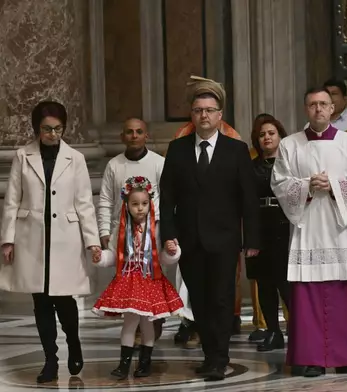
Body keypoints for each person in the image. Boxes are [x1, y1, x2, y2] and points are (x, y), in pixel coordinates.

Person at [271, 87, 347, 378]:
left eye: (324, 104)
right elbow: (280, 183)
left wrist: (333, 185)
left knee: (342, 295)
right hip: (308, 228)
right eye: (313, 104)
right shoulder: (289, 145)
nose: (319, 109)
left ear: (333, 109)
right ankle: (310, 358)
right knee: (307, 296)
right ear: (305, 109)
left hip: (340, 230)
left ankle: (345, 354)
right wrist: (308, 186)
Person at [160, 78, 260, 381]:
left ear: (219, 116)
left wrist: (251, 239)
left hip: (225, 240)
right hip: (189, 240)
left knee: (220, 298)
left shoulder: (236, 150)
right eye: (198, 110)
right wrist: (168, 234)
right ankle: (209, 354)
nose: (204, 115)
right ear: (192, 115)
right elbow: (167, 198)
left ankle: (220, 358)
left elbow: (248, 198)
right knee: (199, 301)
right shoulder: (176, 150)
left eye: (209, 110)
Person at [0, 101, 102, 383]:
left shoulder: (76, 159)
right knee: (41, 301)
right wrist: (7, 240)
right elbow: (12, 201)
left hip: (65, 238)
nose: (53, 134)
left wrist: (92, 241)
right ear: (37, 129)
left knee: (64, 299)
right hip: (32, 237)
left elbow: (84, 204)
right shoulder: (23, 156)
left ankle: (74, 341)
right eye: (47, 129)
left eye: (58, 129)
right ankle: (50, 360)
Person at [93, 176, 183, 379]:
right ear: (127, 205)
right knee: (130, 323)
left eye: (144, 203)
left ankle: (145, 362)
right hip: (128, 280)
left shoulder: (157, 229)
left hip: (150, 279)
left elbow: (162, 258)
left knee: (146, 323)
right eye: (135, 204)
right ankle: (124, 364)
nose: (140, 208)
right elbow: (113, 257)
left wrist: (171, 251)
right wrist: (101, 257)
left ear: (150, 203)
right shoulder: (121, 229)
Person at [97, 118, 166, 344]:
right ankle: (134, 327)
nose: (134, 136)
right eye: (129, 132)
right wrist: (105, 231)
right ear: (122, 137)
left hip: (152, 237)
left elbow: (167, 199)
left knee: (151, 284)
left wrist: (165, 234)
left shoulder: (159, 163)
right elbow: (106, 200)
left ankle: (152, 325)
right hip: (122, 237)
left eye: (139, 132)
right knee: (128, 285)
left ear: (147, 136)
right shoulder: (114, 165)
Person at [247, 115, 290, 352]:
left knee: (286, 283)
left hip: (284, 225)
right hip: (259, 226)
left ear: (280, 136)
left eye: (271, 133)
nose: (267, 138)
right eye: (262, 134)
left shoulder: (290, 164)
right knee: (264, 283)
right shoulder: (250, 167)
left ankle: (298, 330)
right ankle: (273, 331)